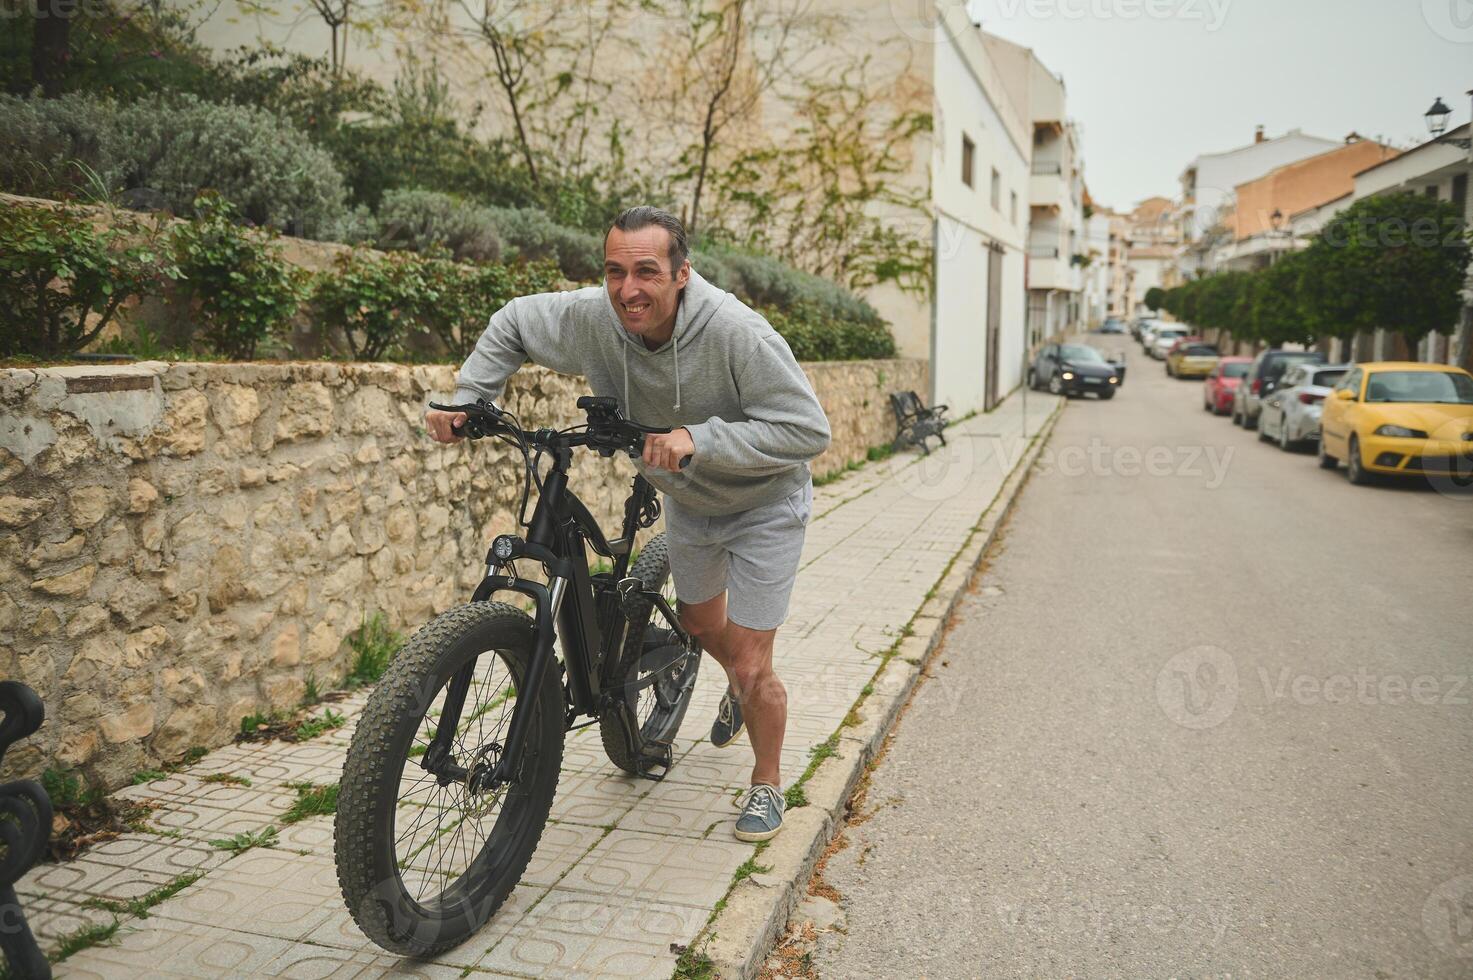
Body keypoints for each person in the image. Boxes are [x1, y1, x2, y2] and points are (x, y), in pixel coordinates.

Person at [424, 206, 831, 841]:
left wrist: (698, 437)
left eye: (646, 271)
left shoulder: (735, 333)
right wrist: (472, 398)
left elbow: (808, 429)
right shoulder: (597, 315)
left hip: (764, 503)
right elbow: (513, 322)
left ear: (682, 274)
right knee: (697, 623)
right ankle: (735, 684)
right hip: (692, 500)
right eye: (615, 271)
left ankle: (766, 782)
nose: (627, 290)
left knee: (754, 664)